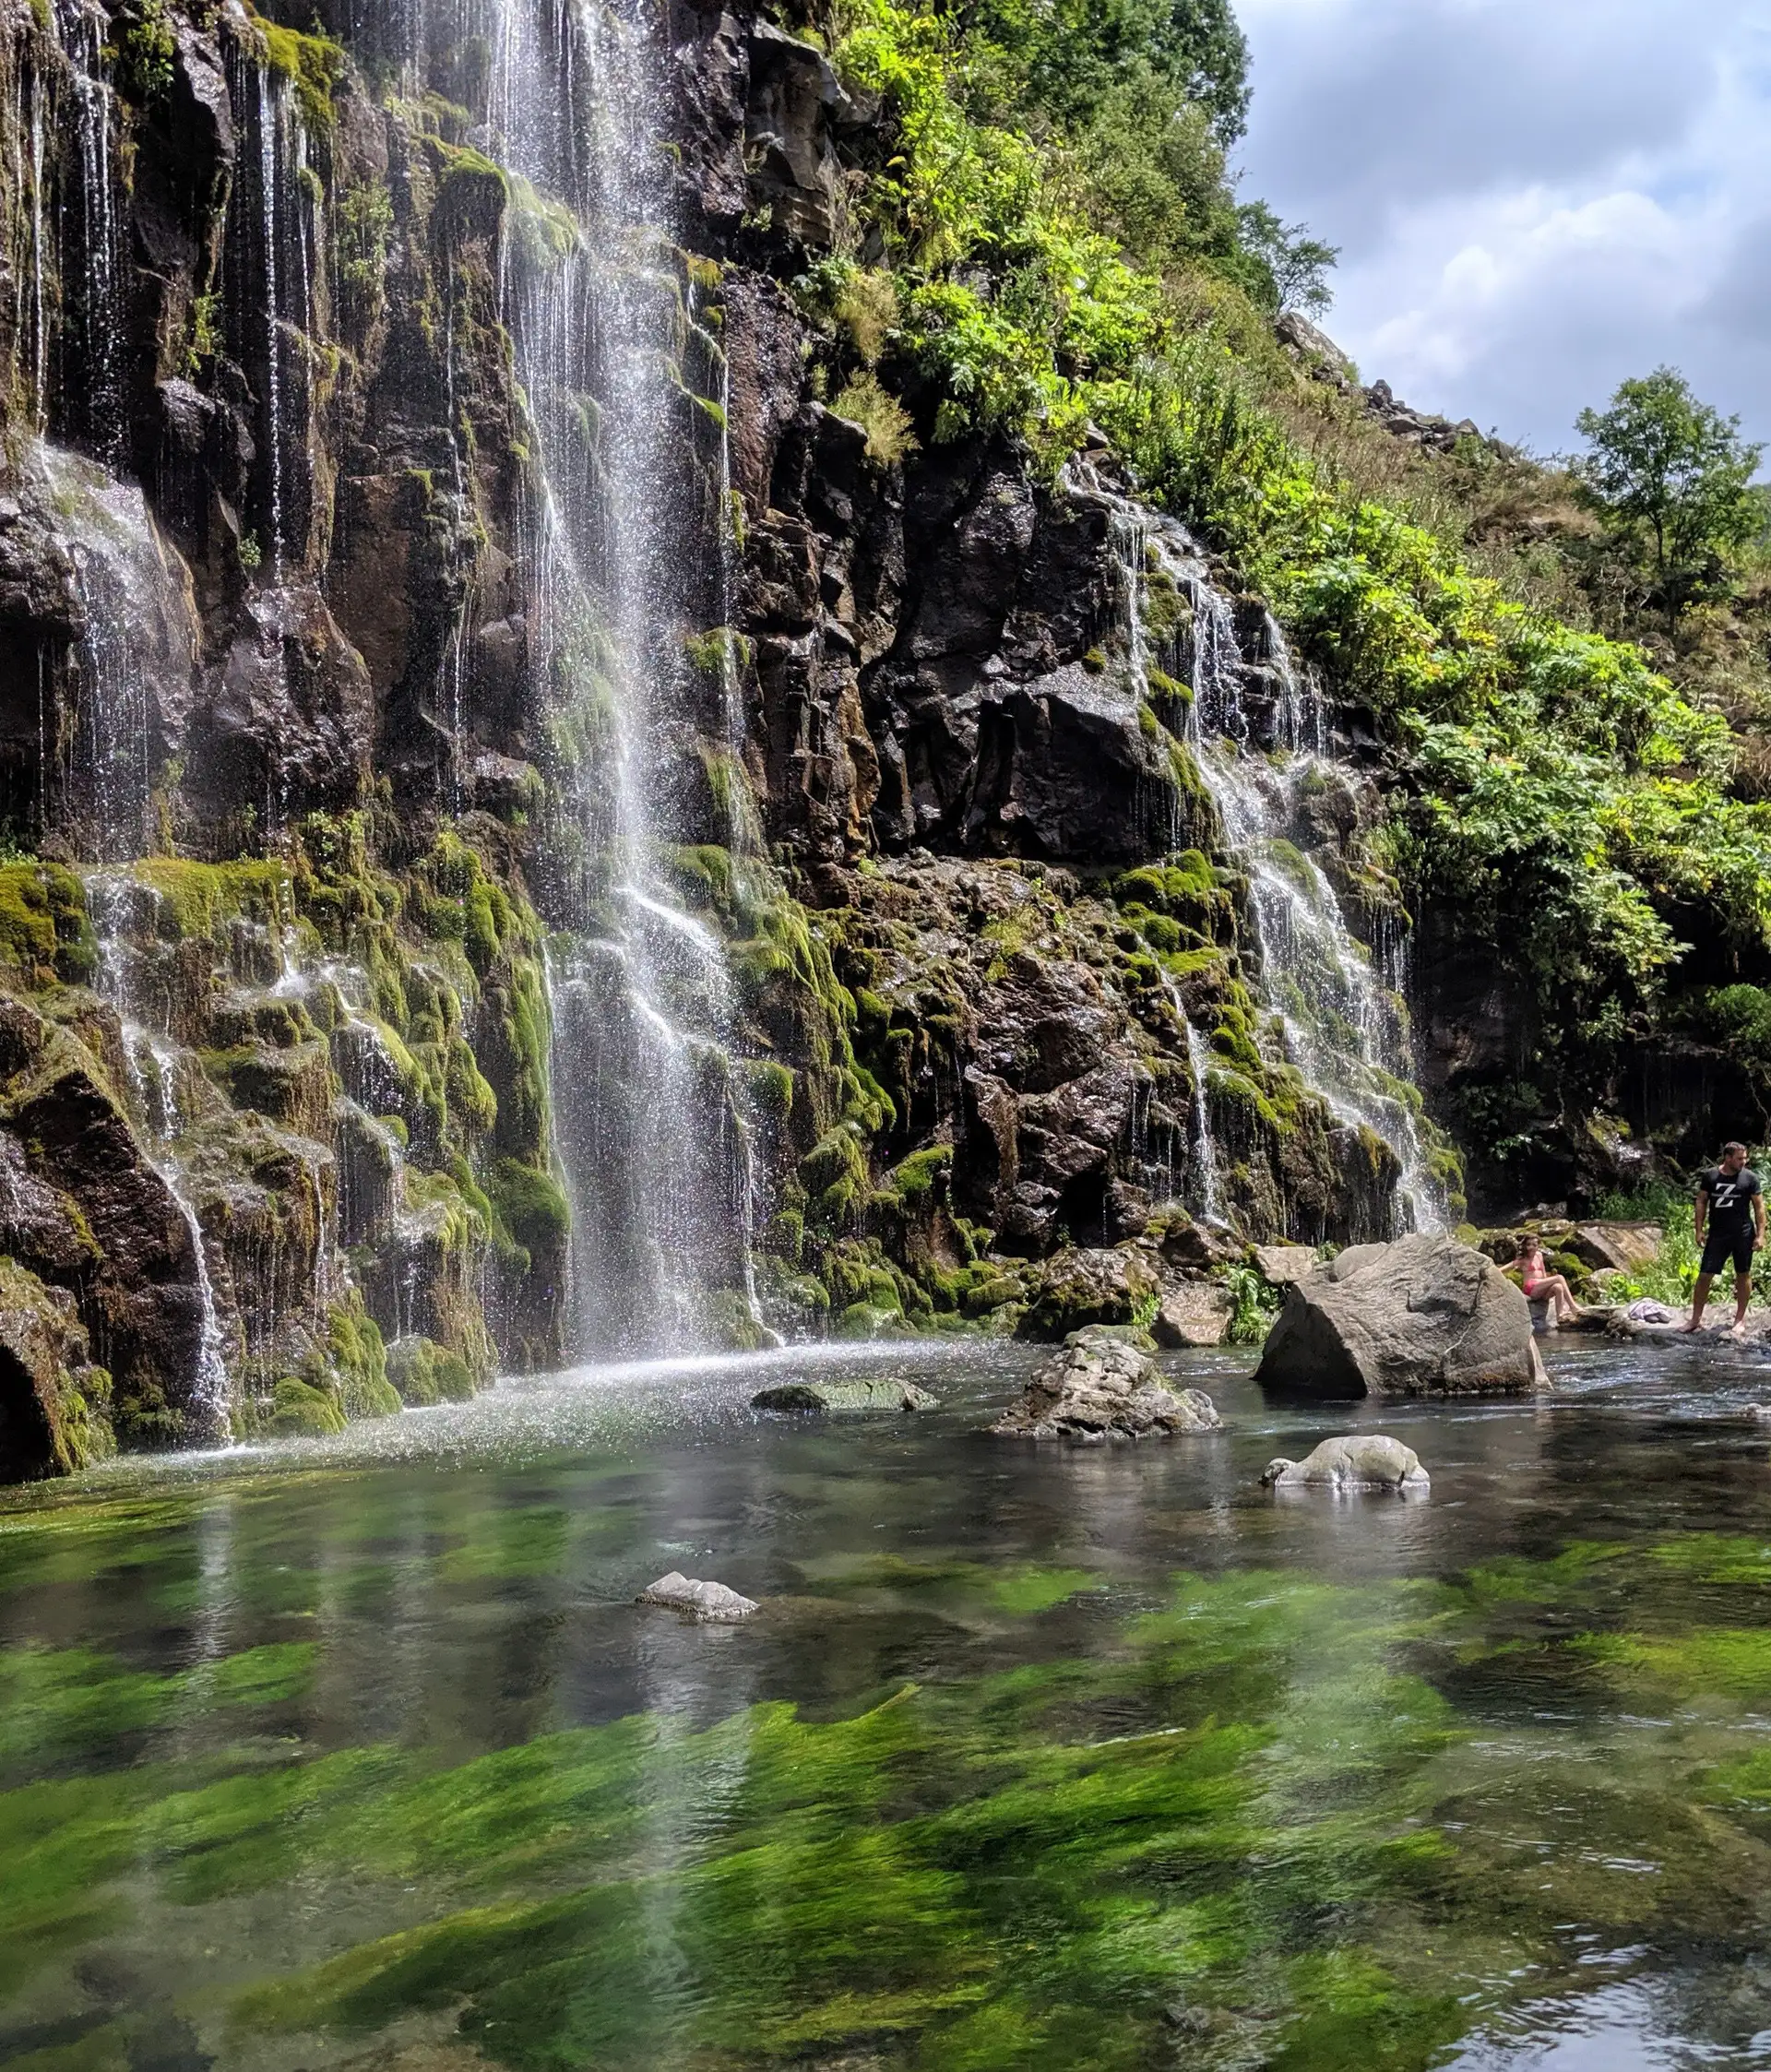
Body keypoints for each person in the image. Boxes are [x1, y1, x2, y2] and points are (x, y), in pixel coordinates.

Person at [1682, 1141, 1766, 1335]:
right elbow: (1701, 1201)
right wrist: (1698, 1230)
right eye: (1739, 1158)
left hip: (1743, 1233)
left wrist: (1761, 1235)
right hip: (1718, 1234)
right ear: (1727, 1158)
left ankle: (1740, 1320)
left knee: (1743, 1274)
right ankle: (1695, 1319)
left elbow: (1759, 1207)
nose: (1743, 1162)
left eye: (1745, 1158)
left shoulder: (1750, 1178)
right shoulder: (1711, 1176)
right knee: (1704, 1275)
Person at [1516, 1232, 1579, 1327]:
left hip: (1541, 1289)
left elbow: (1543, 1272)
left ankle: (1560, 1316)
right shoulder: (1522, 1259)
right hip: (1531, 1289)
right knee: (1559, 1277)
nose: (1531, 1247)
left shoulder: (1539, 1255)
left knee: (1558, 1287)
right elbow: (1507, 1267)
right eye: (1529, 1244)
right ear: (1525, 1246)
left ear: (1538, 1246)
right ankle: (1573, 1306)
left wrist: (1547, 1285)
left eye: (1534, 1245)